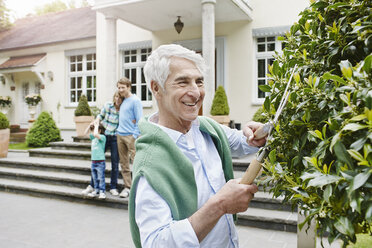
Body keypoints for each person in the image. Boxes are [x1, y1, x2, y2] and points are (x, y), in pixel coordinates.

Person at [128, 44, 267, 247]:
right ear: (156, 88)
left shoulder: (205, 128)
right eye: (182, 82)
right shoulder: (150, 165)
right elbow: (156, 242)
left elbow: (241, 141)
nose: (195, 92)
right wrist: (219, 205)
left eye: (199, 81)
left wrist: (256, 134)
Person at [81, 91, 124, 196]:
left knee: (115, 163)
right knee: (96, 160)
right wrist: (95, 123)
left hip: (115, 137)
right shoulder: (108, 106)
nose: (118, 99)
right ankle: (92, 185)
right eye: (116, 97)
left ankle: (113, 187)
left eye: (120, 98)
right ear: (114, 97)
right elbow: (100, 116)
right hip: (104, 136)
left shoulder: (123, 109)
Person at [116, 77, 143, 198]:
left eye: (123, 87)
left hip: (131, 136)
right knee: (124, 163)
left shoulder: (135, 101)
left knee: (136, 162)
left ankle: (140, 188)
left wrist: (134, 136)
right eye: (119, 87)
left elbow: (139, 119)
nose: (120, 90)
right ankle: (128, 187)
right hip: (120, 135)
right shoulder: (122, 101)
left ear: (128, 87)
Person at [84, 119, 107, 199]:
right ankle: (96, 190)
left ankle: (102, 192)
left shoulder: (102, 137)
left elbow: (96, 134)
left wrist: (97, 125)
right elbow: (85, 133)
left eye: (95, 130)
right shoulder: (93, 138)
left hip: (100, 161)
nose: (93, 131)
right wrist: (90, 125)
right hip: (93, 161)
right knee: (95, 177)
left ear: (100, 130)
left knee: (101, 177)